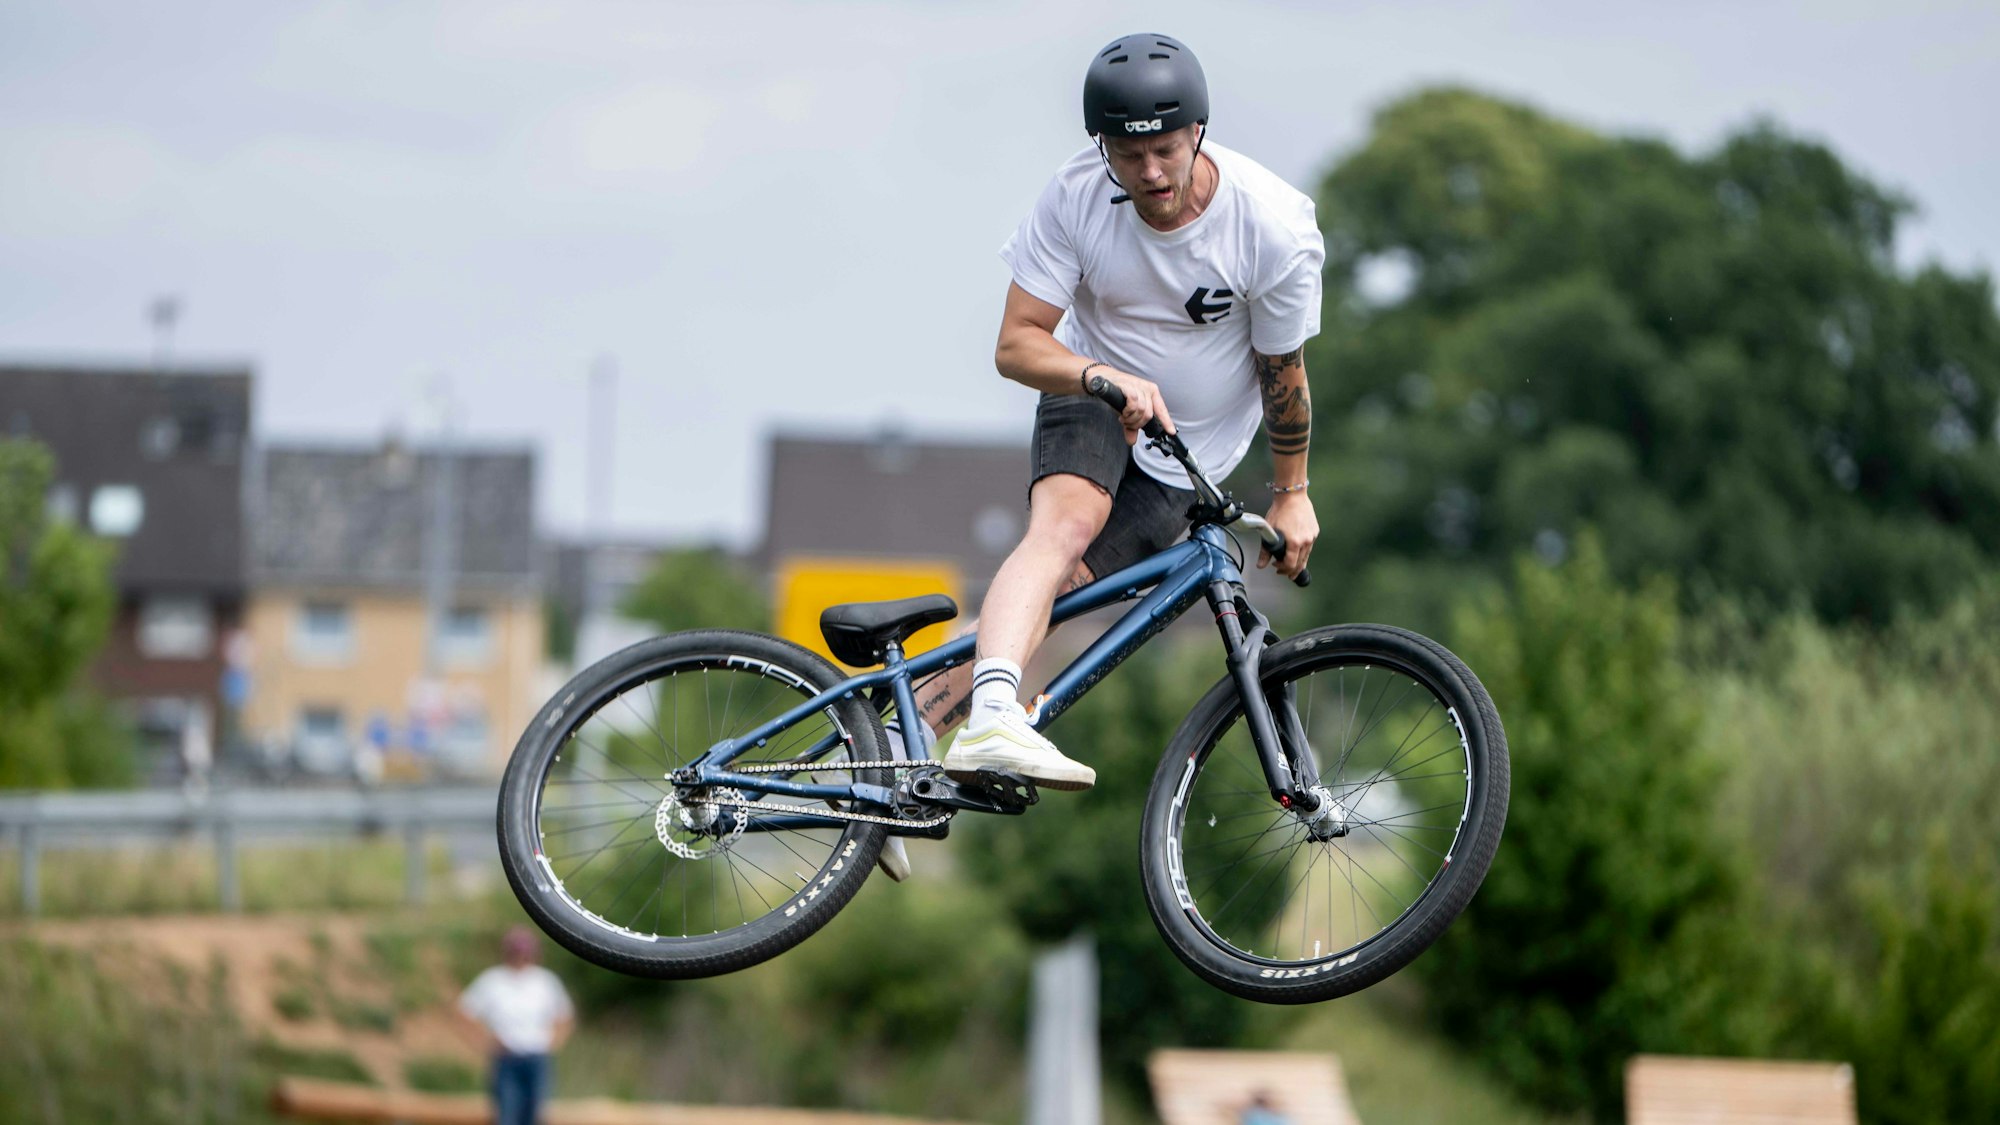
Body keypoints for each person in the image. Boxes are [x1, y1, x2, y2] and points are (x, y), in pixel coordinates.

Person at [876, 31, 1323, 877]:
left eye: (1165, 150)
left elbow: (1283, 374)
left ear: (1198, 133)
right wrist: (1101, 376)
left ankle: (891, 741)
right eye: (1127, 154)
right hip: (1092, 393)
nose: (1148, 173)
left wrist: (1291, 490)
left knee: (1064, 589)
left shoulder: (1269, 228)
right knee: (1063, 532)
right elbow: (1016, 343)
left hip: (1186, 457)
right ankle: (996, 717)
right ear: (1102, 148)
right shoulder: (1077, 197)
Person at [457, 926, 575, 1125]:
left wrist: (553, 1043)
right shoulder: (493, 980)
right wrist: (485, 1042)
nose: (521, 957)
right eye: (517, 952)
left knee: (535, 1115)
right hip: (507, 1057)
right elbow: (464, 1013)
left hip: (537, 1057)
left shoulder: (545, 981)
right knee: (507, 1115)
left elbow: (565, 1016)